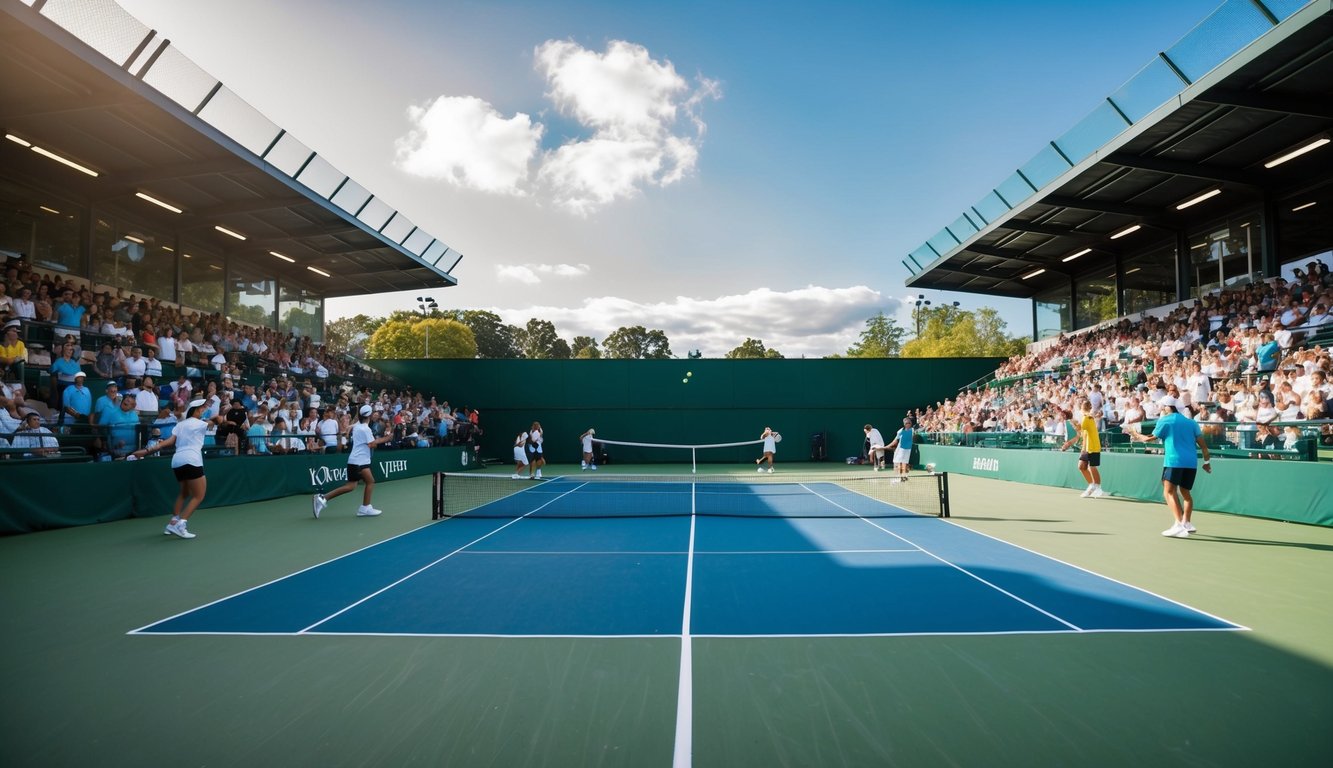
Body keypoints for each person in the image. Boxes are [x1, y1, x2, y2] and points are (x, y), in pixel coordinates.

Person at [132, 398, 225, 539]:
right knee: (199, 495)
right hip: (191, 459)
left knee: (184, 493)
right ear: (196, 410)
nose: (203, 410)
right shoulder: (200, 423)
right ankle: (181, 524)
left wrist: (146, 451)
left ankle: (173, 522)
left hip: (177, 461)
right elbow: (219, 420)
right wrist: (219, 416)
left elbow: (168, 442)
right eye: (202, 408)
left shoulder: (180, 425)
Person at [1127, 395, 1213, 538]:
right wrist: (1207, 463)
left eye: (1163, 406)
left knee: (1168, 492)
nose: (1162, 408)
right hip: (1191, 463)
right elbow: (1204, 446)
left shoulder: (1165, 420)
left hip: (1174, 461)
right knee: (1186, 494)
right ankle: (1186, 523)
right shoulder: (1191, 422)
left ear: (1168, 407)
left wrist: (1134, 433)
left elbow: (1148, 439)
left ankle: (1179, 524)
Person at [312, 405, 390, 518]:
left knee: (351, 486)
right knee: (370, 481)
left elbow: (354, 425)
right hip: (360, 461)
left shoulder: (358, 426)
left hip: (356, 460)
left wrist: (349, 427)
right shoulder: (365, 429)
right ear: (369, 415)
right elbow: (371, 444)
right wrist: (386, 439)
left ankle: (322, 498)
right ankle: (365, 508)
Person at [1061, 398, 1105, 498]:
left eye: (1080, 404)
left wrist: (1071, 419)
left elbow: (1079, 428)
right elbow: (1079, 431)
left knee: (1091, 466)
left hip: (1093, 446)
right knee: (1081, 466)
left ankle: (1098, 488)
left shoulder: (1087, 417)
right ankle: (1092, 485)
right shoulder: (1085, 417)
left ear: (1082, 406)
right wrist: (1071, 419)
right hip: (1086, 446)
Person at [884, 417, 915, 482]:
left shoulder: (912, 430)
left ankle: (902, 477)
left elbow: (911, 438)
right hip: (900, 449)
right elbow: (895, 441)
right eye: (907, 423)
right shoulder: (900, 431)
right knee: (898, 463)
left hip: (906, 449)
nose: (908, 424)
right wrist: (886, 447)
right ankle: (900, 477)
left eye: (909, 423)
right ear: (904, 424)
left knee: (902, 463)